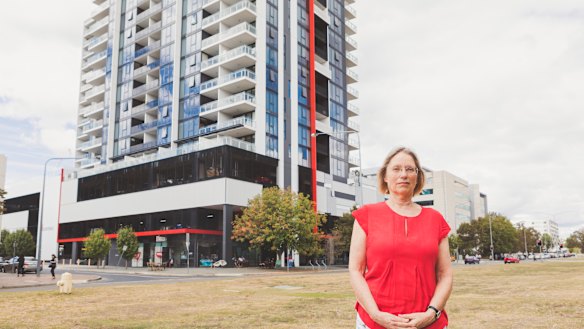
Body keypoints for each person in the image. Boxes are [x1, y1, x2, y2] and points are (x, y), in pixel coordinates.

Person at [349, 147, 453, 329]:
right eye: (396, 169)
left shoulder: (435, 219)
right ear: (385, 177)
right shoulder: (366, 215)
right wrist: (376, 315)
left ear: (417, 177)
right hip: (374, 322)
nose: (403, 174)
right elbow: (356, 271)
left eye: (410, 169)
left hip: (428, 323)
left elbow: (445, 274)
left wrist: (431, 313)